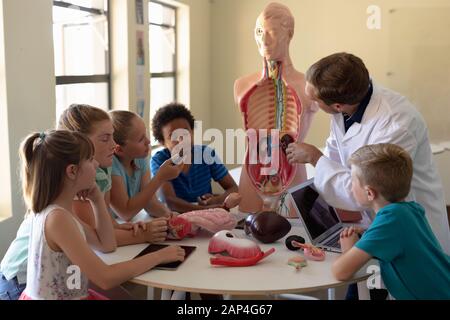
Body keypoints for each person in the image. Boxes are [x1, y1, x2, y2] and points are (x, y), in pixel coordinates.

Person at [286, 52, 450, 254]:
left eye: (315, 101)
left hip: (414, 235)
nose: (311, 104)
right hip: (374, 223)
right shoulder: (347, 103)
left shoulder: (395, 125)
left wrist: (314, 157)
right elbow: (337, 155)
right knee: (361, 280)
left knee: (383, 282)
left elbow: (365, 193)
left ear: (337, 105)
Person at [18, 130, 185, 300]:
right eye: (90, 160)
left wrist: (97, 200)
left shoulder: (61, 211)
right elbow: (105, 278)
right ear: (72, 171)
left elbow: (106, 244)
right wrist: (159, 256)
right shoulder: (58, 218)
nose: (96, 164)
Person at [332, 143, 450, 300]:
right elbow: (400, 240)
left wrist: (348, 249)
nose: (351, 187)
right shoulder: (410, 209)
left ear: (369, 193)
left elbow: (340, 272)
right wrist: (368, 235)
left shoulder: (389, 221)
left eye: (352, 180)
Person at [234, 2, 317, 213]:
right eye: (259, 31)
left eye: (271, 32)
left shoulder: (308, 84)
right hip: (251, 175)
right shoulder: (242, 84)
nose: (263, 39)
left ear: (289, 34)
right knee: (248, 230)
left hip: (293, 173)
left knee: (294, 234)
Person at [150, 103, 238, 213]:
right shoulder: (159, 161)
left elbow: (234, 188)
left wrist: (216, 200)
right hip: (177, 218)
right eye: (174, 136)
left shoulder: (206, 154)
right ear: (162, 142)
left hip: (207, 218)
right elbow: (169, 201)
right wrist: (205, 210)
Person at [109, 110, 183, 221]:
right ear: (119, 149)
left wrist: (170, 216)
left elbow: (150, 202)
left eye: (146, 135)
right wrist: (159, 177)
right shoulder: (111, 164)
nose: (148, 141)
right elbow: (125, 213)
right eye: (141, 139)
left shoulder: (139, 158)